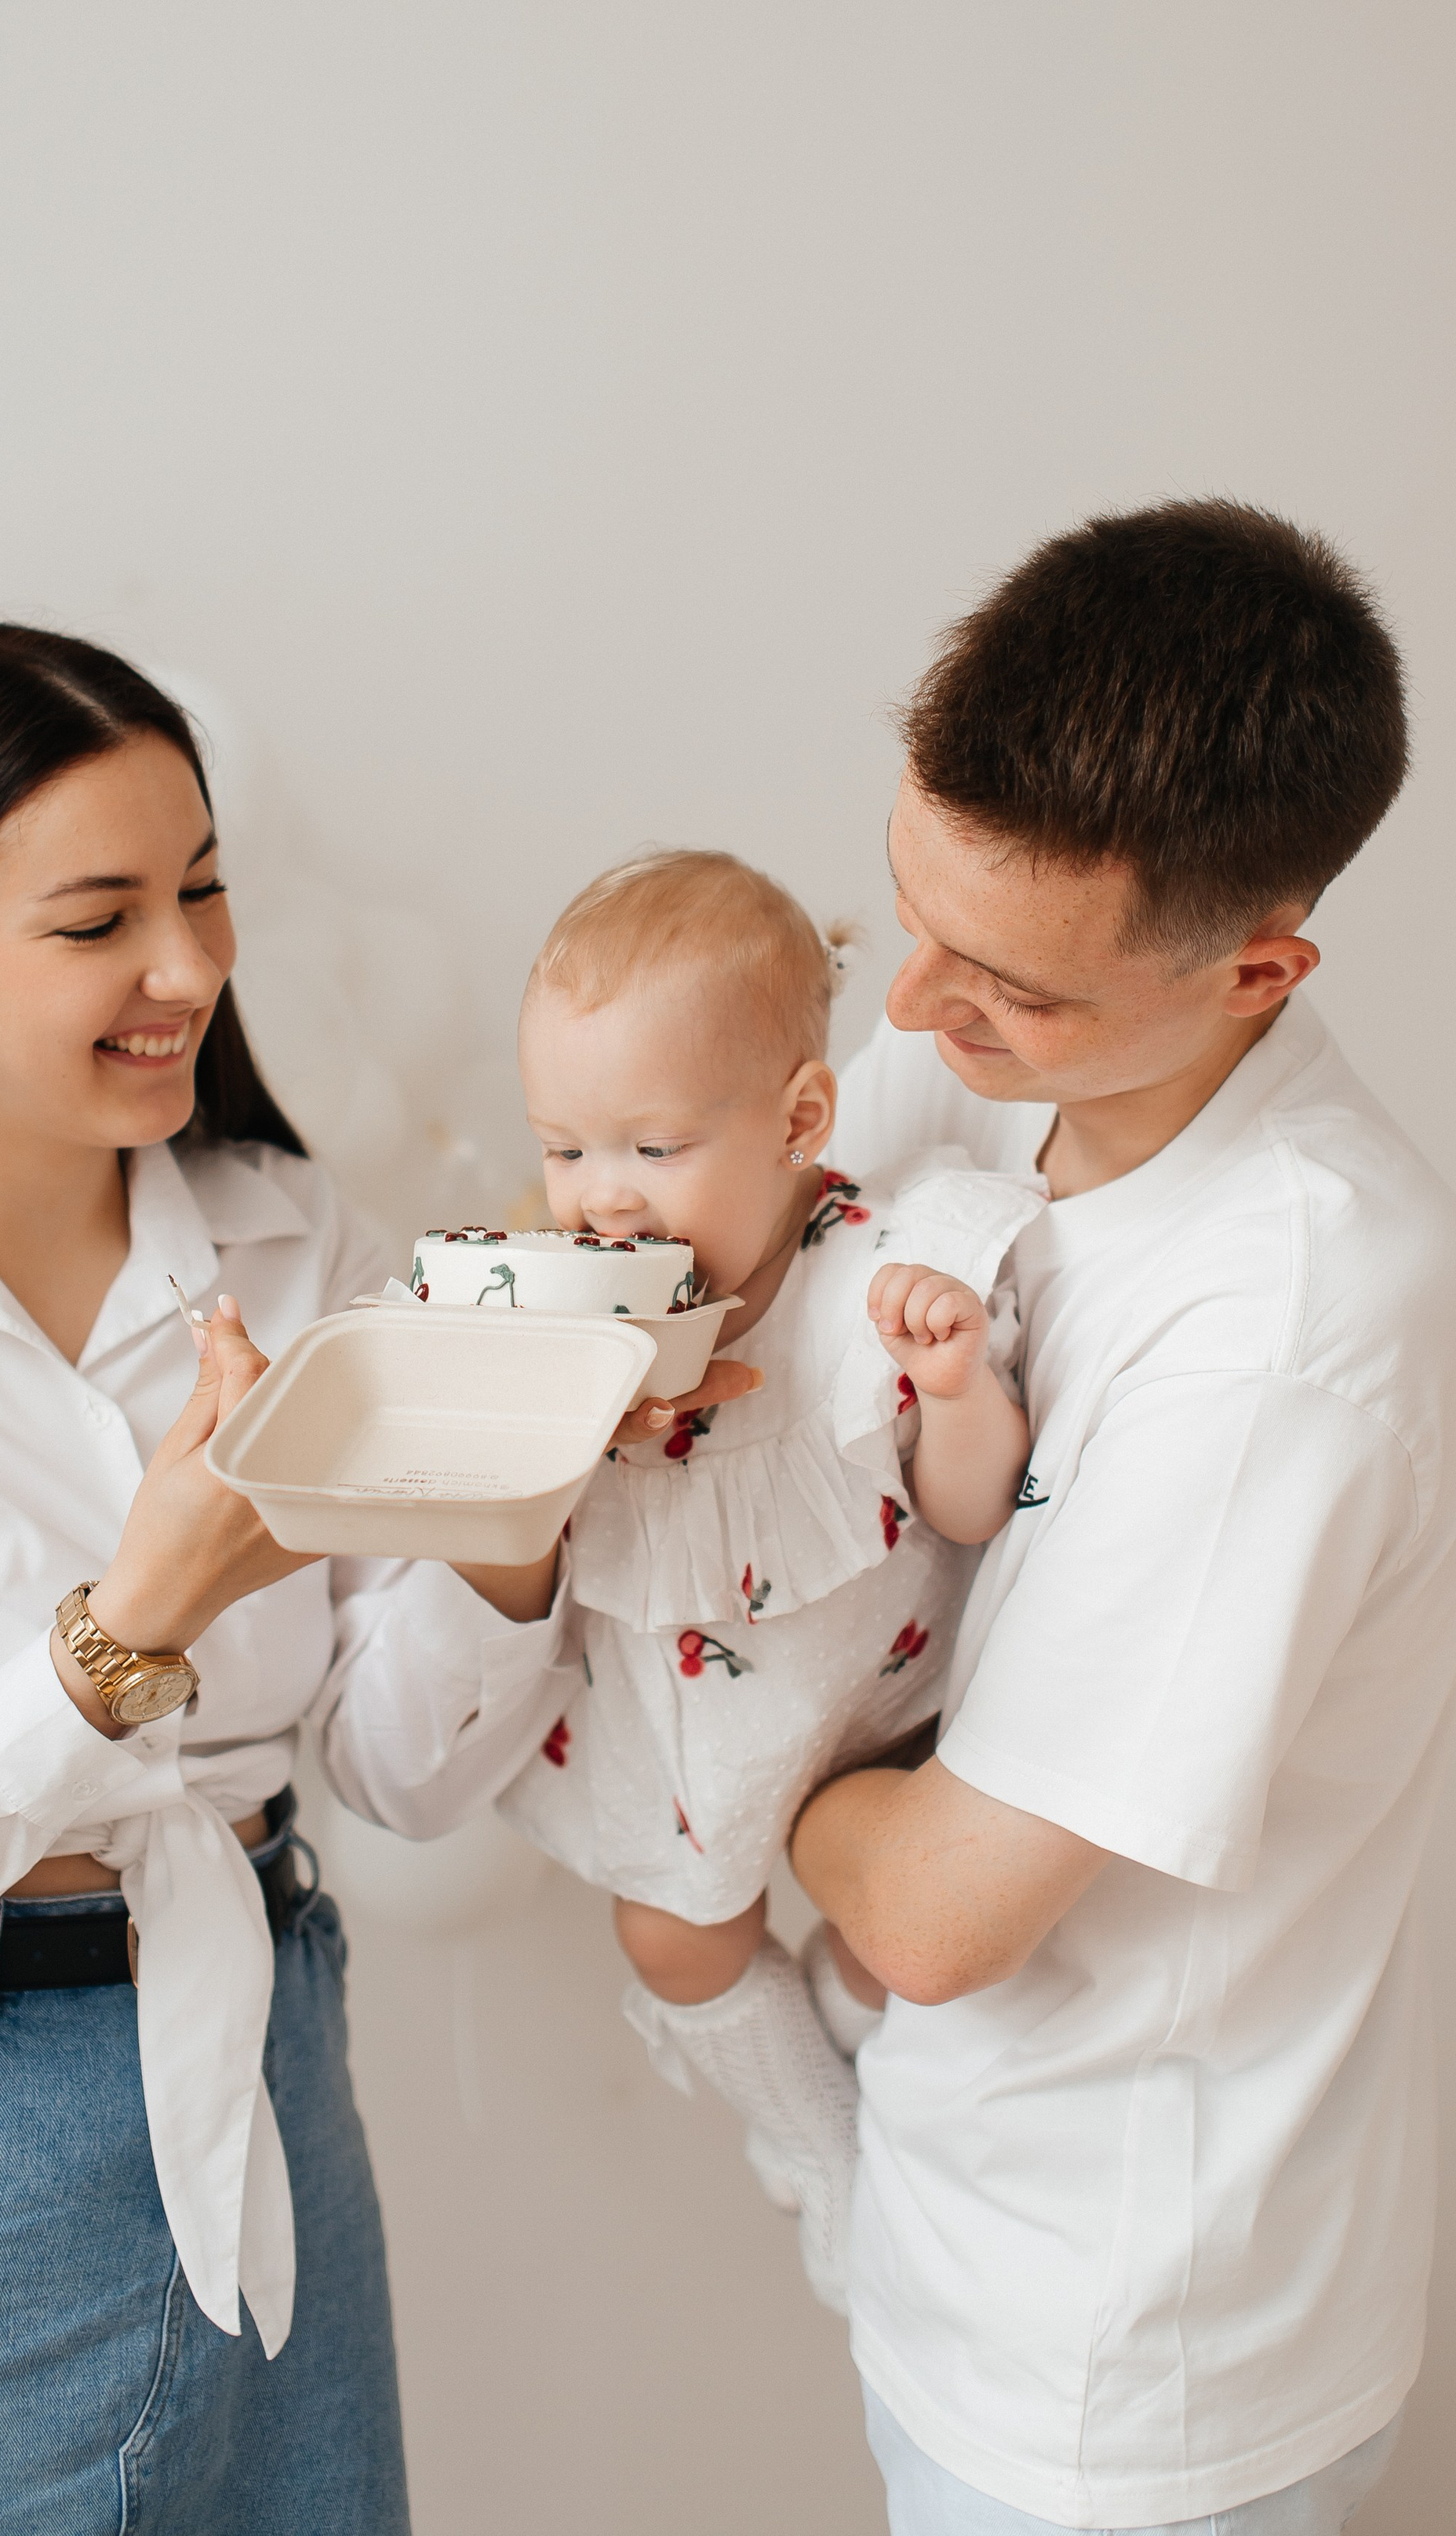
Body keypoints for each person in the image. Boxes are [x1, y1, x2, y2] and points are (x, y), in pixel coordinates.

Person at [0, 625, 582, 2536]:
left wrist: (524, 1498)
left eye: (205, 890)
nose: (189, 969)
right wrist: (121, 1629)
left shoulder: (285, 1228)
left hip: (261, 2072)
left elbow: (396, 1771)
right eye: (101, 921)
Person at [790, 502, 1456, 2535]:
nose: (913, 1011)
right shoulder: (985, 1062)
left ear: (1261, 968)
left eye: (1006, 984)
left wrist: (712, 1751)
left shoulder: (1301, 1321)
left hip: (1132, 2369)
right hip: (956, 2240)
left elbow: (932, 1913)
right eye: (907, 914)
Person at [496, 850, 1044, 2307]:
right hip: (704, 1742)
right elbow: (518, 1551)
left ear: (803, 1118)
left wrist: (959, 1382)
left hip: (888, 1720)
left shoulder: (878, 1272)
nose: (599, 1201)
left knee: (903, 1928)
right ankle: (819, 2142)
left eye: (652, 1148)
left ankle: (853, 2034)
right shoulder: (568, 1312)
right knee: (670, 1935)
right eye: (567, 1149)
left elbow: (973, 1508)